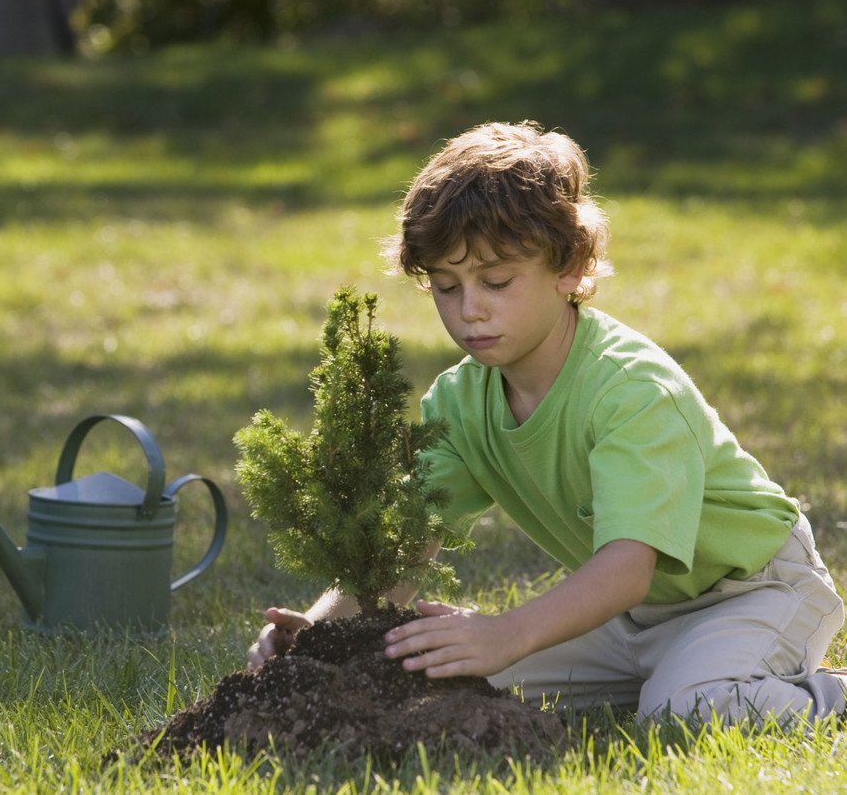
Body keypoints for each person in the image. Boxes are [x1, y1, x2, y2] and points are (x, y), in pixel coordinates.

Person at [247, 120, 847, 725]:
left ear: (569, 266)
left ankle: (822, 694)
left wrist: (511, 631)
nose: (469, 310)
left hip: (756, 592)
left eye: (497, 281)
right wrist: (319, 634)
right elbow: (407, 545)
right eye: (446, 286)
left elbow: (626, 568)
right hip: (628, 621)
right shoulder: (460, 402)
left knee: (685, 711)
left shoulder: (630, 390)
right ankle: (677, 671)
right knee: (445, 680)